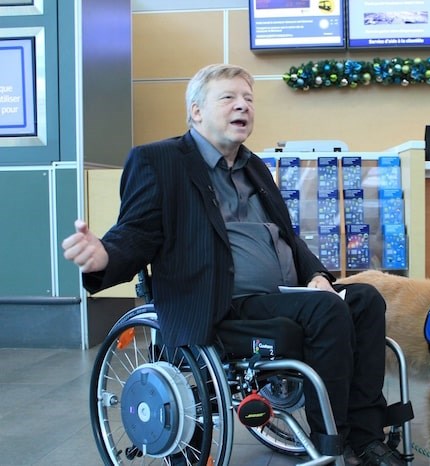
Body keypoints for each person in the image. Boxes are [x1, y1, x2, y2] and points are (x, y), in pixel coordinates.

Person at [62, 64, 405, 466]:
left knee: (365, 299)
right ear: (196, 111)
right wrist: (104, 254)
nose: (242, 105)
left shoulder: (254, 166)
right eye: (228, 97)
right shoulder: (160, 161)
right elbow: (137, 231)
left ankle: (365, 439)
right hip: (222, 304)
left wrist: (314, 275)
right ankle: (333, 442)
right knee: (327, 310)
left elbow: (286, 236)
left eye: (248, 99)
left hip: (283, 297)